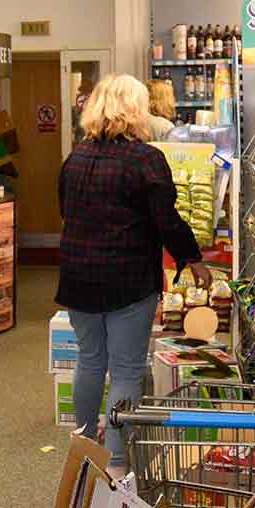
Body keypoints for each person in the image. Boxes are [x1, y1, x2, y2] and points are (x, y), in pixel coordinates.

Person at [56, 73, 210, 471]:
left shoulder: (76, 158)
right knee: (125, 369)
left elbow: (65, 212)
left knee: (90, 361)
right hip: (127, 280)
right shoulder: (146, 160)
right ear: (135, 110)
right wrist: (191, 258)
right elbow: (166, 220)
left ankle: (86, 446)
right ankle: (118, 458)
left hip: (78, 277)